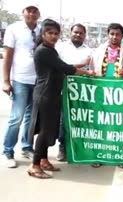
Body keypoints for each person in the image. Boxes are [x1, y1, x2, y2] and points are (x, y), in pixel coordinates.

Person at [27, 19, 95, 179]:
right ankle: (35, 165)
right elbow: (65, 68)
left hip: (52, 94)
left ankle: (43, 160)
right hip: (45, 95)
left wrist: (81, 67)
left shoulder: (51, 50)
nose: (54, 36)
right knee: (44, 131)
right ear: (43, 34)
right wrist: (86, 71)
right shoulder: (44, 51)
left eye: (56, 33)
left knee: (49, 128)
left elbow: (61, 66)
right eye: (50, 33)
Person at [90, 23, 123, 168]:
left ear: (122, 36)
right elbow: (92, 70)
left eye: (117, 34)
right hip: (101, 94)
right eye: (112, 34)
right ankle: (99, 155)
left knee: (119, 126)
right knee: (101, 125)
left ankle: (120, 155)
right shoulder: (98, 52)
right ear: (108, 35)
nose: (114, 37)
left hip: (120, 95)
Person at [1, 3, 41, 168]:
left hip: (38, 81)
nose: (31, 13)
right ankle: (7, 150)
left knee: (30, 118)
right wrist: (5, 80)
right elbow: (8, 55)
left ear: (38, 14)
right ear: (23, 12)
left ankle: (26, 146)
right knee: (16, 117)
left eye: (34, 11)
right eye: (28, 10)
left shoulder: (41, 29)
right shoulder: (13, 29)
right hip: (20, 80)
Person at [55, 23, 92, 161]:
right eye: (75, 32)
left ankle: (79, 148)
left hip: (82, 91)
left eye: (81, 33)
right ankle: (63, 147)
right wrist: (81, 65)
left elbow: (90, 70)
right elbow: (60, 67)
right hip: (63, 88)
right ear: (71, 33)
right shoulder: (61, 47)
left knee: (81, 119)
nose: (78, 35)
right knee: (63, 120)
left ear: (84, 35)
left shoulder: (89, 51)